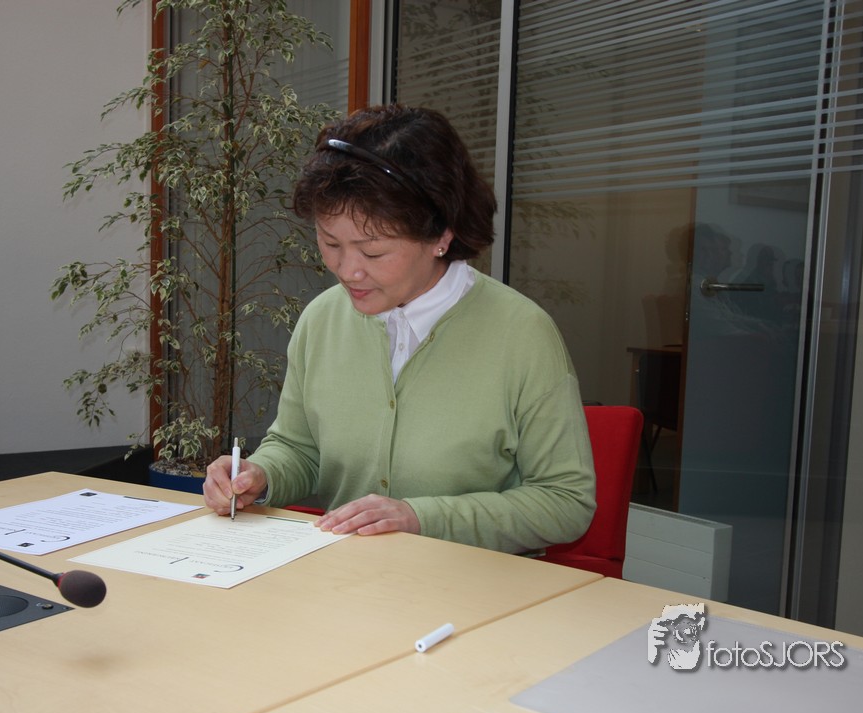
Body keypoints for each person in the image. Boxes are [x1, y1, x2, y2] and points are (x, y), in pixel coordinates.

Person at [203, 104, 595, 555]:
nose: (347, 270)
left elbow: (565, 502)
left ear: (441, 235)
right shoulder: (322, 319)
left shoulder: (521, 333)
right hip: (347, 576)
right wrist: (260, 475)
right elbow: (299, 448)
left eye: (373, 252)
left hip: (472, 583)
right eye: (330, 243)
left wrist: (420, 518)